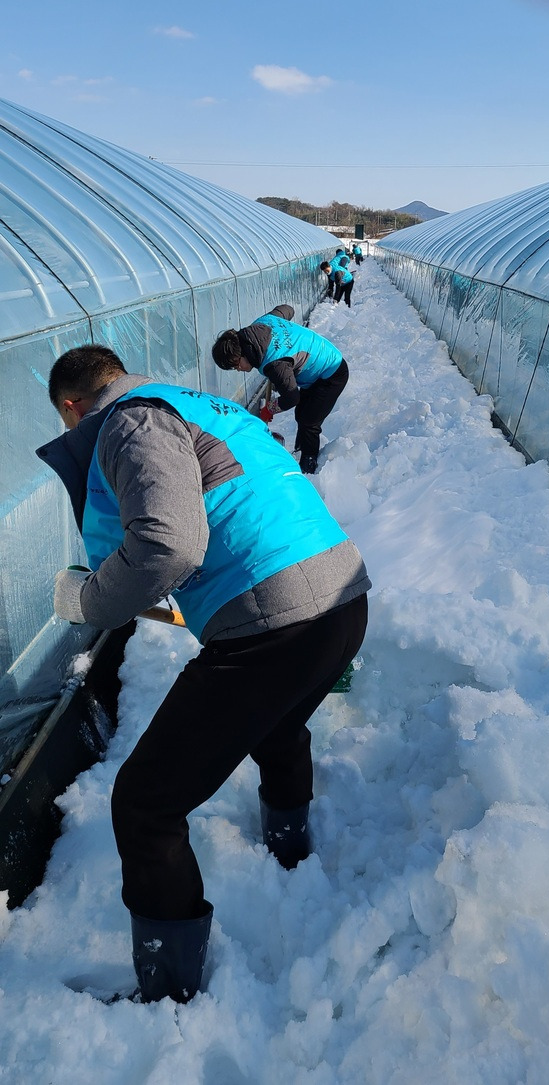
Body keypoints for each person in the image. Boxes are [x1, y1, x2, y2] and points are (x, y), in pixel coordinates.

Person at [37, 344, 370, 1005]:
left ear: (73, 407)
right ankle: (290, 856)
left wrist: (87, 599)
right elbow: (213, 523)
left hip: (278, 619)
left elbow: (169, 543)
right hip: (341, 599)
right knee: (277, 725)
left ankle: (167, 996)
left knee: (144, 802)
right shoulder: (195, 404)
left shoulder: (130, 421)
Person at [212, 304, 349, 476]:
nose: (238, 370)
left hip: (332, 372)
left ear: (241, 355)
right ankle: (301, 451)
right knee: (302, 414)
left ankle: (309, 464)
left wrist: (270, 408)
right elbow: (287, 309)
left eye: (235, 366)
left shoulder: (275, 364)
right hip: (316, 364)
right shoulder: (262, 323)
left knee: (309, 420)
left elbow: (292, 397)